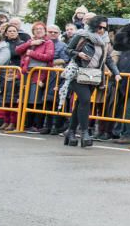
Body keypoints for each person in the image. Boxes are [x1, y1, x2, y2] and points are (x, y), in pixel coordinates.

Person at [62, 16, 121, 147]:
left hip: (93, 76)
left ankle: (70, 132)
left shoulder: (105, 42)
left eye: (104, 28)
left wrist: (116, 73)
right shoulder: (82, 35)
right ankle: (84, 132)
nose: (101, 30)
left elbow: (108, 60)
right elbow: (67, 50)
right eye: (99, 27)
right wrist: (78, 54)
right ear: (94, 25)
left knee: (80, 104)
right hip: (78, 72)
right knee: (85, 100)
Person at [16, 22, 55, 133]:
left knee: (35, 99)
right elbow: (18, 50)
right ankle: (26, 123)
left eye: (41, 29)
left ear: (45, 30)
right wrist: (31, 43)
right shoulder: (31, 41)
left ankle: (36, 125)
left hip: (38, 73)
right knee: (25, 99)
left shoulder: (48, 42)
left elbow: (49, 57)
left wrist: (32, 53)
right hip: (26, 73)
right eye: (36, 29)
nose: (38, 30)